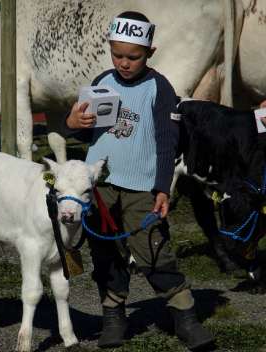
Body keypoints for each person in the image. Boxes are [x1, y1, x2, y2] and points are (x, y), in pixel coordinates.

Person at [64, 11, 214, 350]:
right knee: (104, 251)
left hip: (140, 187)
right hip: (100, 185)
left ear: (150, 52)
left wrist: (162, 187)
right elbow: (81, 127)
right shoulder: (103, 80)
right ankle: (114, 316)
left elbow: (167, 140)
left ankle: (185, 315)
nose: (124, 63)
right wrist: (73, 120)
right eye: (117, 54)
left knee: (152, 250)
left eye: (133, 56)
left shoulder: (158, 88)